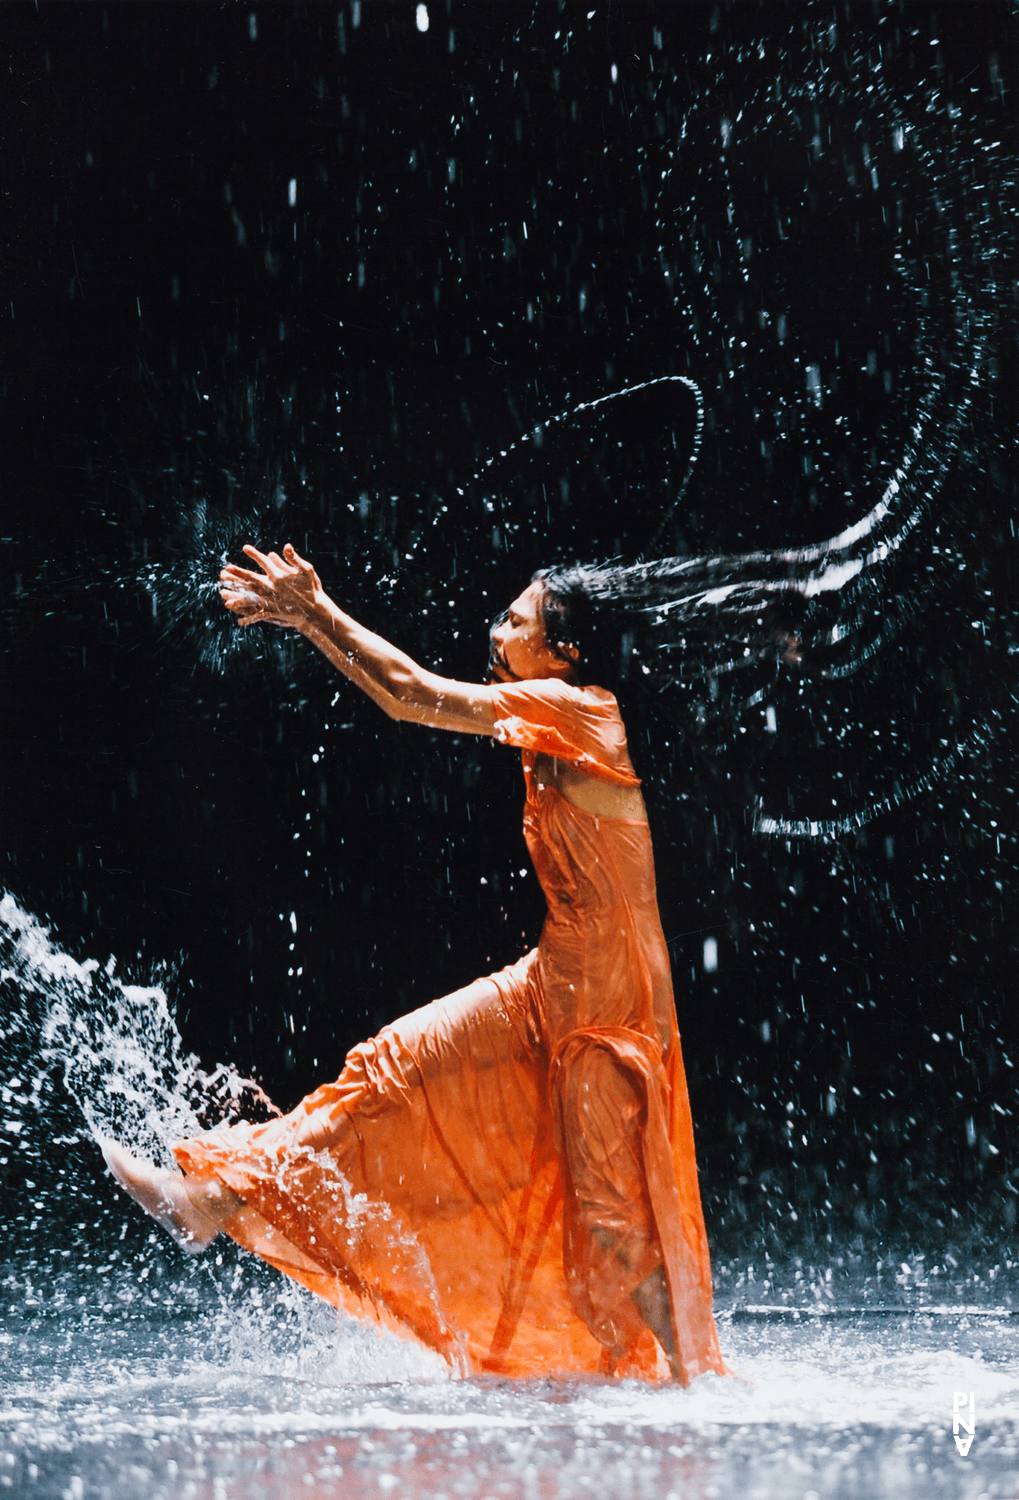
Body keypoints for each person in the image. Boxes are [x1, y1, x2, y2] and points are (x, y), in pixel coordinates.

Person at [103, 541, 728, 1384]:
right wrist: (309, 621)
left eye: (516, 619)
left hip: (608, 1007)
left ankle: (703, 1386)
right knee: (389, 1066)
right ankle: (210, 1201)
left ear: (564, 650)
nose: (495, 627)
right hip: (551, 977)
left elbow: (413, 696)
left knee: (613, 1230)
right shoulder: (546, 713)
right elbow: (411, 698)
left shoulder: (578, 709)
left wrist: (315, 613)